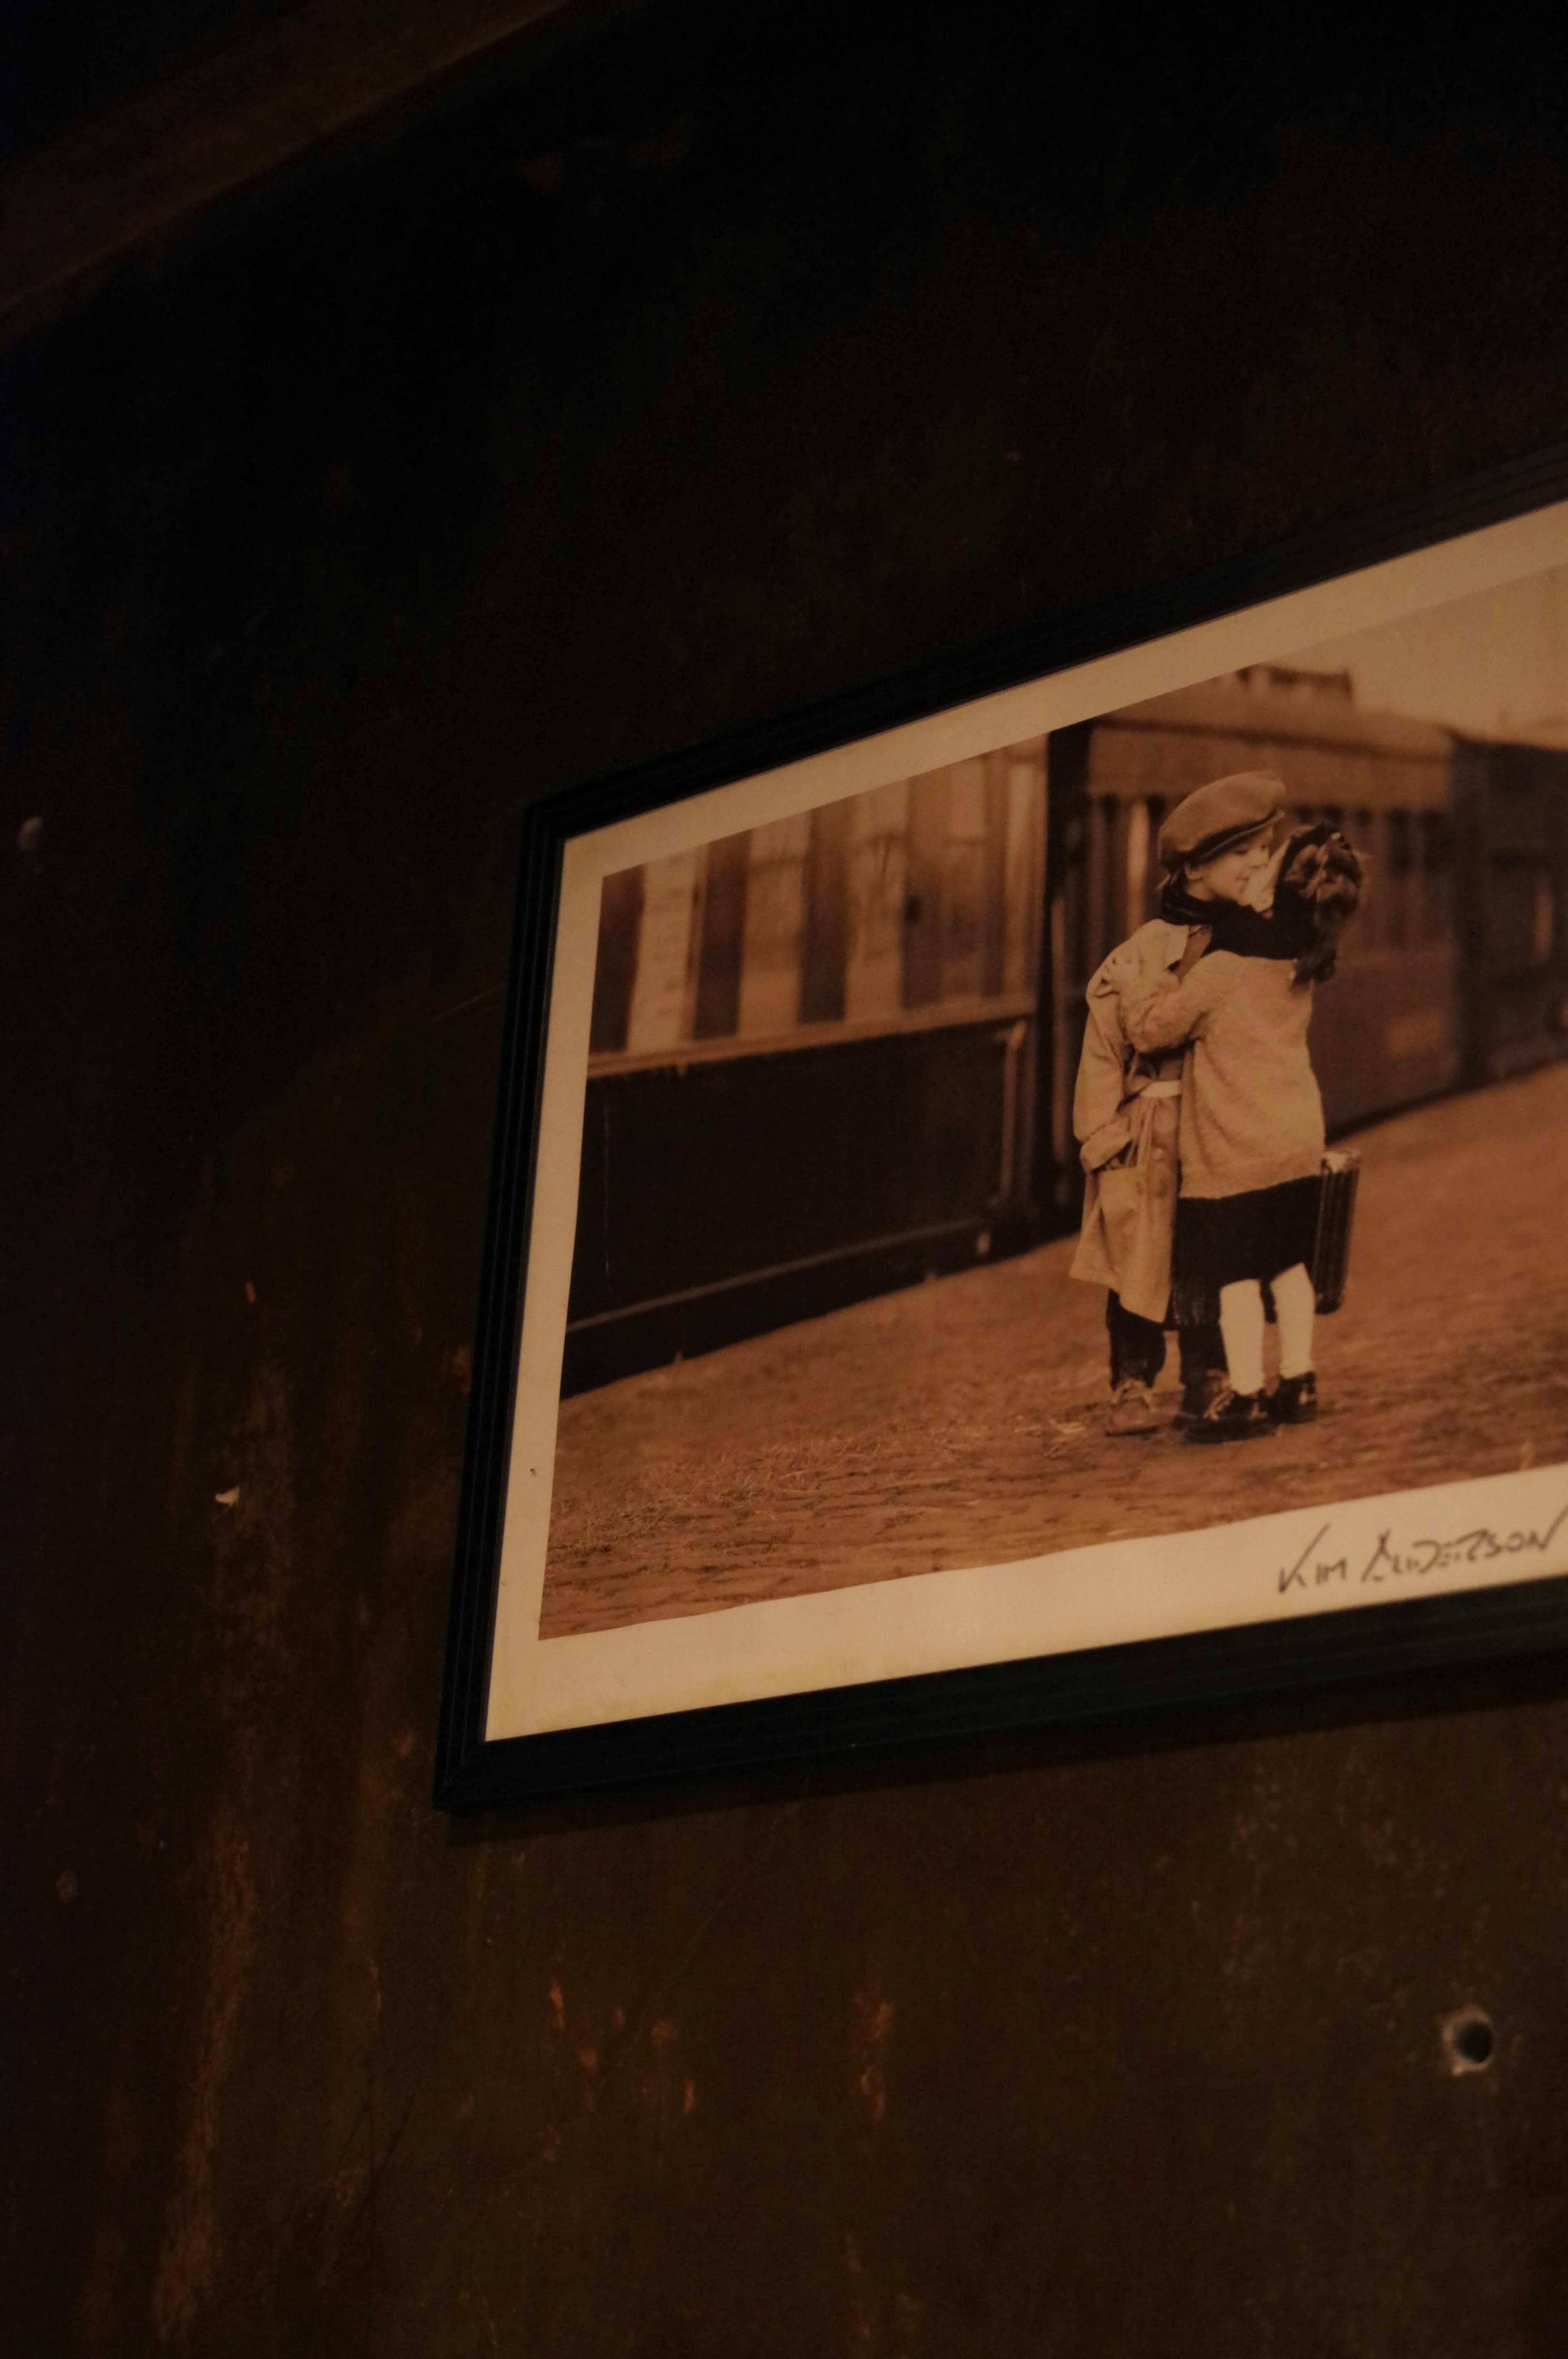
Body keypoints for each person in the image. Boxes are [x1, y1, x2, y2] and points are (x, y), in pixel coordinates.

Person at [1122, 816, 1365, 1442]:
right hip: (1295, 1141)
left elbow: (1154, 1030)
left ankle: (1247, 1396)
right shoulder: (1297, 966)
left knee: (1235, 1279)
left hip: (1236, 1151)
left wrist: (1143, 984)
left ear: (1268, 894)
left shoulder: (1223, 970)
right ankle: (1300, 1381)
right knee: (1289, 1268)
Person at [1068, 772, 1284, 1435]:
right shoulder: (1139, 954)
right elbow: (1105, 1048)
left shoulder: (1254, 950)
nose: (1258, 863)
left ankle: (1207, 1377)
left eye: (1263, 850)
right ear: (1194, 868)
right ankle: (1131, 1380)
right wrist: (1101, 1138)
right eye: (1242, 853)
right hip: (1150, 1133)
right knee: (1138, 1256)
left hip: (1221, 1127)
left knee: (1211, 1256)